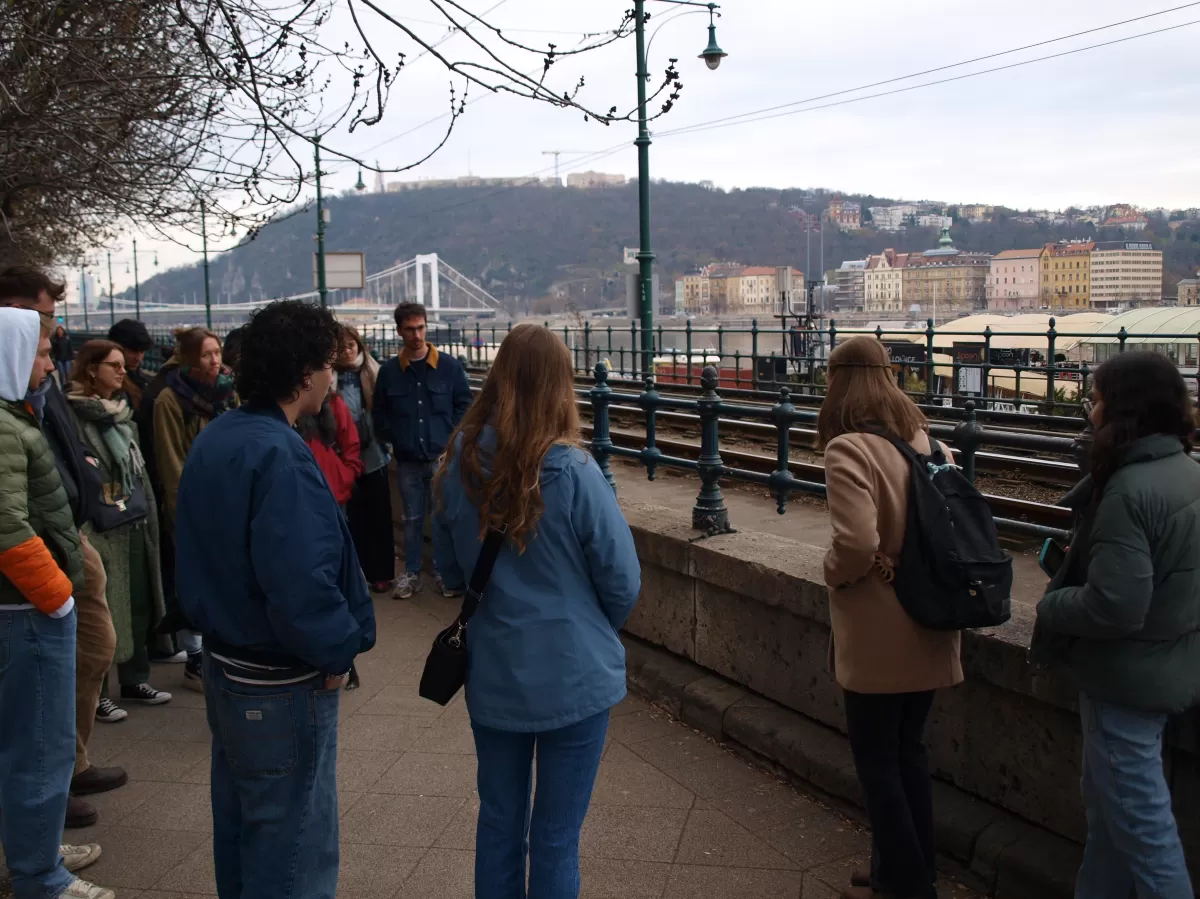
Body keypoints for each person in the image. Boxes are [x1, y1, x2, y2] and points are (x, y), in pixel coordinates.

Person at [432, 323, 640, 899]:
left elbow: (449, 573)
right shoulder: (573, 471)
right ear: (560, 386)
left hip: (495, 672)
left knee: (499, 824)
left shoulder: (456, 466)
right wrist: (592, 627)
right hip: (576, 676)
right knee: (556, 838)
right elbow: (622, 579)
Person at [175, 300, 376, 899]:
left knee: (243, 823)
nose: (333, 375)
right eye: (328, 364)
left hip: (227, 659)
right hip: (278, 679)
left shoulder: (220, 434)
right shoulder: (282, 455)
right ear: (304, 373)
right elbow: (300, 581)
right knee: (295, 842)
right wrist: (338, 651)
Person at [1033, 351, 1200, 899]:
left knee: (1145, 834)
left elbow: (1116, 606)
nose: (1091, 410)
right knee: (1112, 822)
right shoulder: (1189, 473)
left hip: (1124, 682)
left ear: (1123, 410)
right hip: (1171, 664)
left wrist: (1053, 605)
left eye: (1097, 399)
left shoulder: (1128, 490)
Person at [816, 335, 963, 899]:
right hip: (931, 620)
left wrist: (833, 572)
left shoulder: (848, 449)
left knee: (877, 760)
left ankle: (904, 885)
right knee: (908, 751)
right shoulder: (929, 443)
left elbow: (856, 543)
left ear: (838, 381)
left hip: (880, 629)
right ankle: (904, 871)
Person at [0, 266, 124, 830]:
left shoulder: (26, 395)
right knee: (37, 700)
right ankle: (43, 814)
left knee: (89, 655)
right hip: (38, 572)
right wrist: (56, 595)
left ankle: (65, 770)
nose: (53, 357)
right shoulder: (10, 415)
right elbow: (7, 520)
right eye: (45, 331)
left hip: (64, 539)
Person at [67, 340, 171, 714]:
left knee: (137, 598)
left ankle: (134, 679)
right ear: (91, 369)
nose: (123, 371)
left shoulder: (124, 414)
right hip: (99, 521)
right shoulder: (75, 415)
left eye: (122, 364)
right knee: (105, 605)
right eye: (114, 365)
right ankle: (99, 692)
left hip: (134, 516)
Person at [153, 326, 236, 690]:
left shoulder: (228, 392)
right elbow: (170, 461)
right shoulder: (170, 400)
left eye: (217, 352)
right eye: (206, 354)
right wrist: (183, 513)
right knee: (193, 580)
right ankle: (195, 658)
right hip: (194, 501)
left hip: (227, 497)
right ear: (189, 359)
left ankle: (221, 651)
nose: (215, 360)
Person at [374, 302, 472, 599]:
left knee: (443, 518)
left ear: (426, 327)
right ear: (399, 331)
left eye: (420, 328)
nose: (416, 335)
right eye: (409, 329)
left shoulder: (449, 367)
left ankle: (444, 574)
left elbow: (465, 406)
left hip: (442, 458)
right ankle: (412, 574)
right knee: (412, 519)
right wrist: (397, 439)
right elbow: (380, 413)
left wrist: (450, 436)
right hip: (408, 460)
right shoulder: (389, 372)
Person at [337, 325, 396, 591]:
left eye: (351, 345)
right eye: (341, 347)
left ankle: (381, 574)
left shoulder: (373, 371)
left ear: (359, 346)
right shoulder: (331, 377)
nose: (347, 351)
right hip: (343, 456)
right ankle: (358, 572)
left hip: (374, 453)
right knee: (354, 518)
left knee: (380, 516)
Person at [295, 384, 363, 508]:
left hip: (335, 495)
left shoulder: (333, 402)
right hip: (303, 499)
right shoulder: (288, 410)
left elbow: (351, 444)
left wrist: (346, 476)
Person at [107, 318, 156, 415]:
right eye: (132, 351)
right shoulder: (108, 383)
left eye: (142, 351)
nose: (138, 358)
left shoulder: (137, 377)